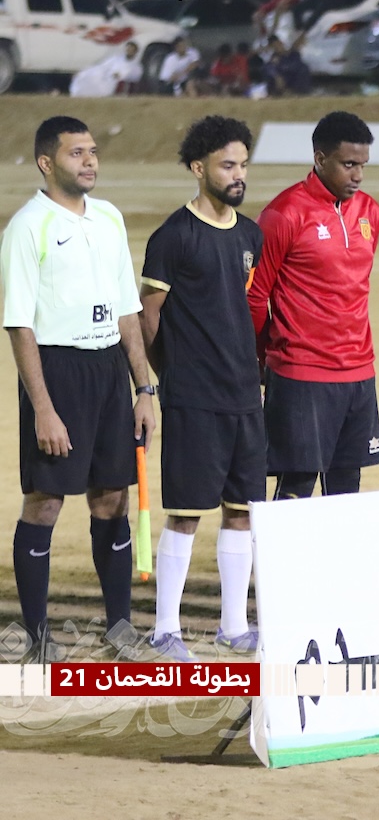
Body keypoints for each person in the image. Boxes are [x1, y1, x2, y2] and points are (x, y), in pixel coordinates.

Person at [3, 117, 157, 661]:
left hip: (109, 370)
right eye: (76, 153)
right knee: (45, 502)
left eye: (92, 151)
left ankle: (120, 629)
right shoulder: (28, 227)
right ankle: (37, 635)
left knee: (112, 498)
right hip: (58, 372)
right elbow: (20, 325)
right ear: (47, 163)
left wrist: (144, 388)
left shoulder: (110, 217)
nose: (90, 161)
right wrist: (43, 409)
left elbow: (127, 310)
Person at [138, 116, 264, 661]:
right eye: (227, 165)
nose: (238, 175)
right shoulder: (173, 236)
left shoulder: (250, 234)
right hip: (193, 396)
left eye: (243, 165)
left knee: (241, 511)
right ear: (198, 168)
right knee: (187, 512)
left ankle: (233, 626)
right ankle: (165, 629)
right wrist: (169, 377)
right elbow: (149, 317)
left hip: (245, 395)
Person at [248, 111, 379, 499]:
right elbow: (255, 297)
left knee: (347, 487)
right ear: (320, 158)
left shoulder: (369, 211)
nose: (358, 175)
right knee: (297, 484)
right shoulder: (283, 213)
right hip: (302, 374)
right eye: (348, 164)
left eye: (363, 165)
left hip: (359, 372)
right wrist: (265, 357)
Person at [70, 42, 143, 97]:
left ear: (135, 52)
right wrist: (83, 72)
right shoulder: (116, 59)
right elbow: (102, 66)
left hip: (116, 84)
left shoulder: (136, 65)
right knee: (91, 76)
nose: (129, 51)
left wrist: (121, 75)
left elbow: (135, 76)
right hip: (106, 78)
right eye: (128, 49)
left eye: (131, 50)